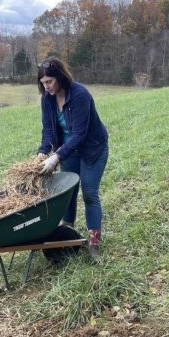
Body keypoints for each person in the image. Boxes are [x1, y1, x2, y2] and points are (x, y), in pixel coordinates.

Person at [35, 57, 109, 263]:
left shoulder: (79, 95)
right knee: (67, 192)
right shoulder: (47, 99)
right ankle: (66, 233)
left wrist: (56, 157)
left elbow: (79, 134)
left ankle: (94, 243)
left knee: (89, 193)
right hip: (68, 151)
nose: (46, 86)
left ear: (60, 76)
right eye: (43, 83)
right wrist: (43, 152)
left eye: (49, 81)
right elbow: (48, 130)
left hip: (92, 148)